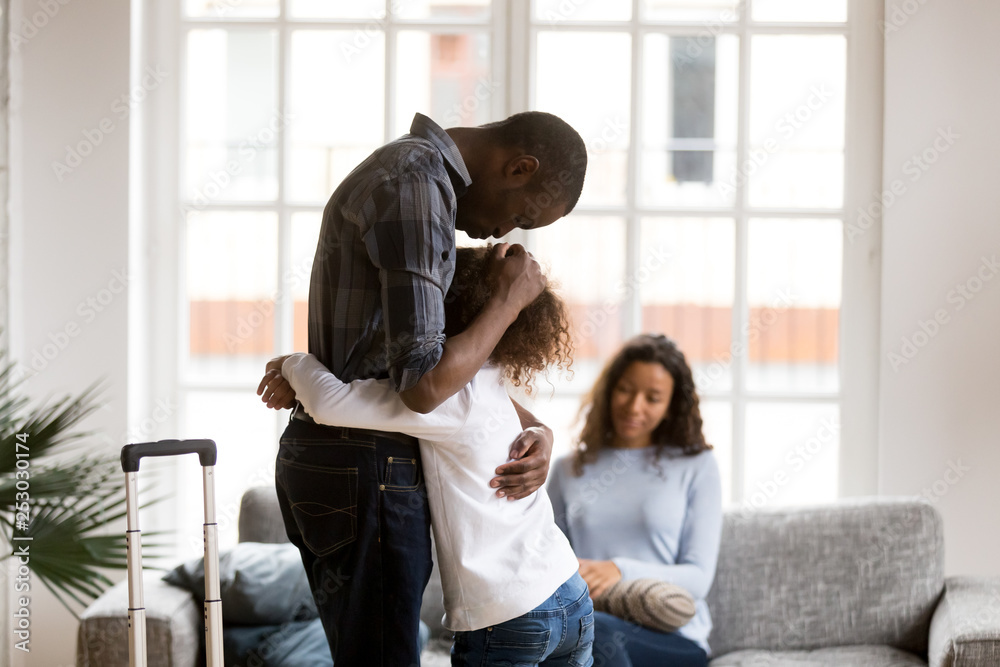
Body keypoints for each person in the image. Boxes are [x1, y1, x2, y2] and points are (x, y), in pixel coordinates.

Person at [257, 111, 587, 666]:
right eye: (522, 213)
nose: (504, 232)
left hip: (361, 451)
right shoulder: (414, 185)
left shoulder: (419, 183)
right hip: (361, 459)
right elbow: (426, 385)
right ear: (519, 168)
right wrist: (509, 302)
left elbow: (466, 391)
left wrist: (538, 427)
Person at [545, 334, 723, 667]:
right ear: (609, 390)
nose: (634, 406)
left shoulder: (696, 466)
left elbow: (698, 578)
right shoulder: (568, 469)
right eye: (626, 390)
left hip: (674, 638)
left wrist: (619, 570)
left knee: (597, 634)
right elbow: (546, 560)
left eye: (653, 398)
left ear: (671, 406)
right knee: (579, 632)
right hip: (590, 620)